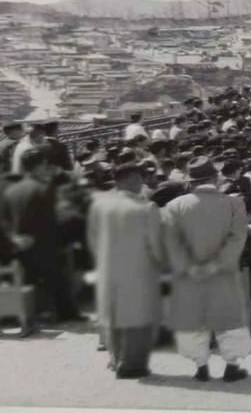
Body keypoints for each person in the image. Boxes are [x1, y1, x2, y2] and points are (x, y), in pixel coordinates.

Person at [162, 156, 251, 382]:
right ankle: (232, 366)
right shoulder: (234, 203)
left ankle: (201, 366)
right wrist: (216, 264)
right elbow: (237, 240)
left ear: (191, 182)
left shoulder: (174, 206)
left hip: (189, 275)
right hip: (224, 272)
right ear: (215, 177)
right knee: (229, 319)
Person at [86, 161, 164, 379]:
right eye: (140, 177)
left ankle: (115, 358)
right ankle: (131, 365)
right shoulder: (146, 207)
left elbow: (92, 239)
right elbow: (155, 245)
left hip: (107, 267)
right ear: (132, 179)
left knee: (112, 315)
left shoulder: (99, 204)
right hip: (139, 269)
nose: (143, 181)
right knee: (137, 318)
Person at [2, 148, 84, 322]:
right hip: (42, 248)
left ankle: (39, 310)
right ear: (41, 165)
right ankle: (66, 313)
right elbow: (50, 223)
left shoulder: (11, 191)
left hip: (18, 248)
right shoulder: (44, 188)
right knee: (63, 264)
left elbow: (7, 222)